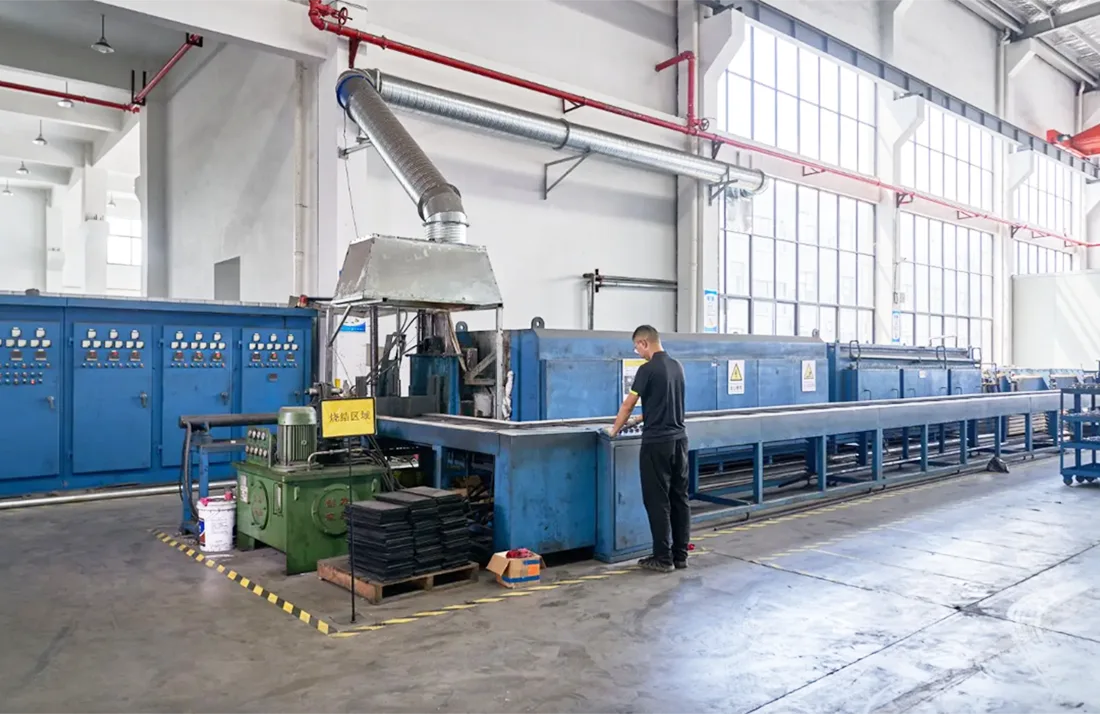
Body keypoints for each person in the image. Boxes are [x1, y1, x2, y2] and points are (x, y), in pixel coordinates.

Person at [605, 325, 689, 573]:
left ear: (644, 343)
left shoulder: (647, 369)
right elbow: (665, 403)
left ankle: (662, 558)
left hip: (657, 443)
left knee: (657, 500)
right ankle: (680, 556)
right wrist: (640, 419)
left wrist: (614, 430)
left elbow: (628, 404)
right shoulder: (677, 366)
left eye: (636, 347)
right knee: (679, 498)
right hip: (680, 441)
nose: (637, 352)